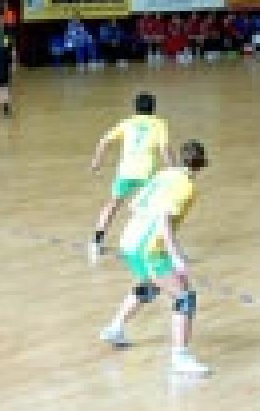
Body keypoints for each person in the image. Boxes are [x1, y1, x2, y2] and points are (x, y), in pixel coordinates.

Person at [99, 140, 211, 376]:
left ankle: (115, 328)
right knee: (184, 296)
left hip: (129, 241)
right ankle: (180, 358)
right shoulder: (186, 186)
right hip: (148, 248)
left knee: (150, 286)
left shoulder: (163, 174)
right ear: (202, 165)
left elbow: (134, 206)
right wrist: (176, 256)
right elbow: (164, 220)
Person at [89, 92, 173, 258]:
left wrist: (96, 161)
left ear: (135, 108)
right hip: (147, 173)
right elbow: (165, 150)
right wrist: (174, 170)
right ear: (153, 108)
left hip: (125, 171)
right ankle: (152, 245)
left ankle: (96, 242)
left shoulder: (127, 123)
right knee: (154, 209)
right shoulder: (159, 124)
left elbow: (104, 141)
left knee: (112, 205)